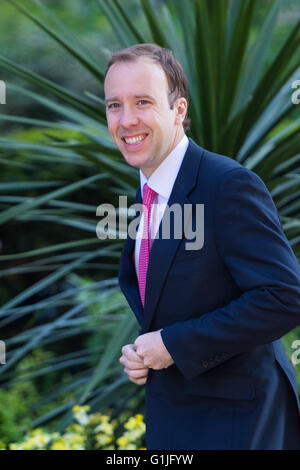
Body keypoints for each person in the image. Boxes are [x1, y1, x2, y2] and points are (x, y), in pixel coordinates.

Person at [103, 43, 300, 450]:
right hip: (179, 417)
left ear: (178, 110)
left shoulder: (227, 184)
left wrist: (174, 344)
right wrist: (145, 351)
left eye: (143, 102)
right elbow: (170, 306)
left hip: (241, 425)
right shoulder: (145, 195)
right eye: (114, 105)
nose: (127, 120)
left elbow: (285, 296)